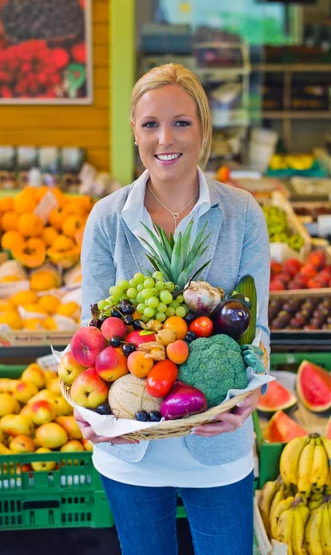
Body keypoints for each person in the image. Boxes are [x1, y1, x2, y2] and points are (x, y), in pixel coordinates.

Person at [75, 63, 270, 555]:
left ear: (203, 130)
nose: (166, 138)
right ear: (135, 132)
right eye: (150, 124)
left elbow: (258, 329)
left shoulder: (243, 212)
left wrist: (250, 395)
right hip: (131, 446)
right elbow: (90, 336)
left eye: (182, 122)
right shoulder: (106, 219)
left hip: (218, 440)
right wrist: (86, 406)